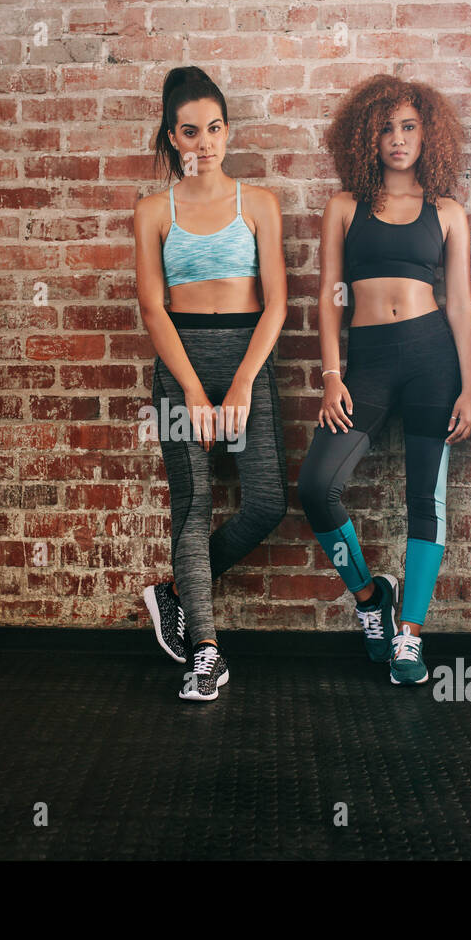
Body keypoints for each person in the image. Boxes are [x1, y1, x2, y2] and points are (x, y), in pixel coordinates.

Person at [297, 75, 471, 686]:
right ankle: (372, 598)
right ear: (366, 136)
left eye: (408, 126)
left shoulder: (447, 212)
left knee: (426, 501)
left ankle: (410, 636)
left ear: (428, 134)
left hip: (433, 359)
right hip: (367, 363)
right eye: (385, 127)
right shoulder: (344, 206)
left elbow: (461, 305)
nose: (397, 139)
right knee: (318, 487)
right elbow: (328, 298)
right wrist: (329, 374)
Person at [135, 66, 288, 701]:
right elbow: (152, 308)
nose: (204, 143)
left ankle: (173, 592)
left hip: (248, 356)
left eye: (215, 128)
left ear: (228, 132)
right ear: (173, 138)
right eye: (190, 131)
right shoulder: (152, 211)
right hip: (181, 366)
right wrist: (194, 391)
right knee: (193, 506)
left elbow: (277, 303)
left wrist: (243, 382)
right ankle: (206, 649)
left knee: (265, 503)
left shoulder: (259, 204)